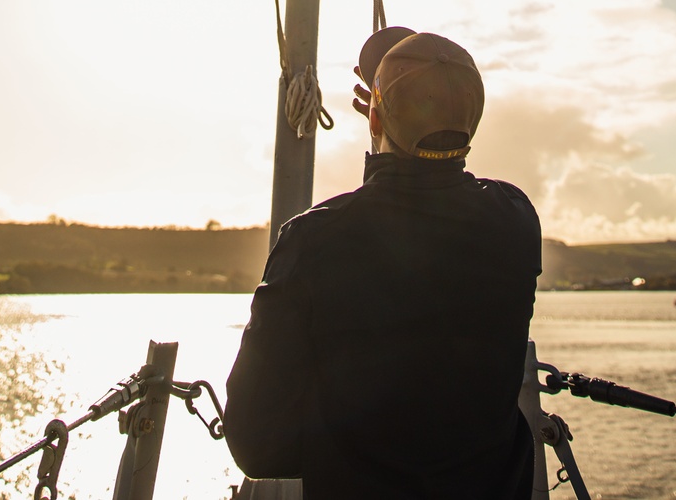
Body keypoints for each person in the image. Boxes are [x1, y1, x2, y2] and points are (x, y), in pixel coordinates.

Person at [223, 27, 542, 499]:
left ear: (373, 116)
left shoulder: (314, 240)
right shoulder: (515, 219)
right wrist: (403, 99)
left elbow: (256, 446)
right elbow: (437, 175)